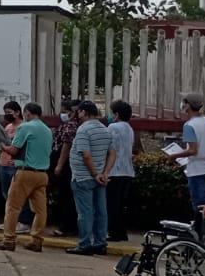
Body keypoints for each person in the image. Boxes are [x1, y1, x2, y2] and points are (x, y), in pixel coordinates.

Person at [0, 102, 51, 252]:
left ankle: (8, 239)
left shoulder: (25, 127)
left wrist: (2, 146)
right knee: (40, 210)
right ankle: (37, 240)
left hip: (25, 172)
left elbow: (14, 150)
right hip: (42, 174)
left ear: (27, 113)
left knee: (13, 207)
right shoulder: (47, 130)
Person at [67, 100, 112, 256]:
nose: (77, 115)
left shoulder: (83, 130)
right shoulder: (105, 129)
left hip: (83, 177)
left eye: (79, 112)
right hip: (100, 177)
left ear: (84, 112)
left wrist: (94, 173)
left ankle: (85, 244)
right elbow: (112, 153)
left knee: (85, 212)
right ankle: (100, 243)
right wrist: (105, 173)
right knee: (101, 211)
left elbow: (86, 155)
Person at [176, 93, 205, 212]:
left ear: (187, 105)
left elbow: (192, 150)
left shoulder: (189, 125)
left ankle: (201, 230)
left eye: (184, 102)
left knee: (199, 208)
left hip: (196, 171)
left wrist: (174, 155)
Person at [106, 100, 139, 241]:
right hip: (127, 171)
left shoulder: (112, 127)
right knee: (120, 205)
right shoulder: (129, 128)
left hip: (115, 170)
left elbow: (108, 148)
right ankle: (121, 231)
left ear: (116, 114)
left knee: (112, 204)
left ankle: (113, 232)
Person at [50, 98, 80, 238]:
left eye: (64, 111)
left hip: (66, 165)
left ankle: (66, 226)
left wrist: (59, 165)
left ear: (72, 112)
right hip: (72, 165)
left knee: (65, 196)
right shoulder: (75, 125)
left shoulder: (70, 126)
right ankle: (71, 226)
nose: (61, 114)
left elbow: (66, 146)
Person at [0, 101, 25, 230]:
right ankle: (9, 221)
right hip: (4, 163)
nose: (6, 115)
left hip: (14, 165)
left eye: (9, 112)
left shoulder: (23, 127)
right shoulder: (8, 127)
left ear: (17, 112)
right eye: (5, 112)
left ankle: (21, 222)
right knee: (6, 195)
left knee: (17, 195)